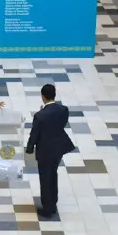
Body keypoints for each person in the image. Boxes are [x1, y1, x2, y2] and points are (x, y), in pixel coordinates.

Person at [26, 83, 76, 219]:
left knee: (45, 179)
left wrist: (29, 149)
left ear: (43, 97)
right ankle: (53, 203)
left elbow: (34, 134)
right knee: (53, 174)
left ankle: (48, 208)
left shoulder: (40, 115)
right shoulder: (63, 110)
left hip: (45, 151)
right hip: (58, 148)